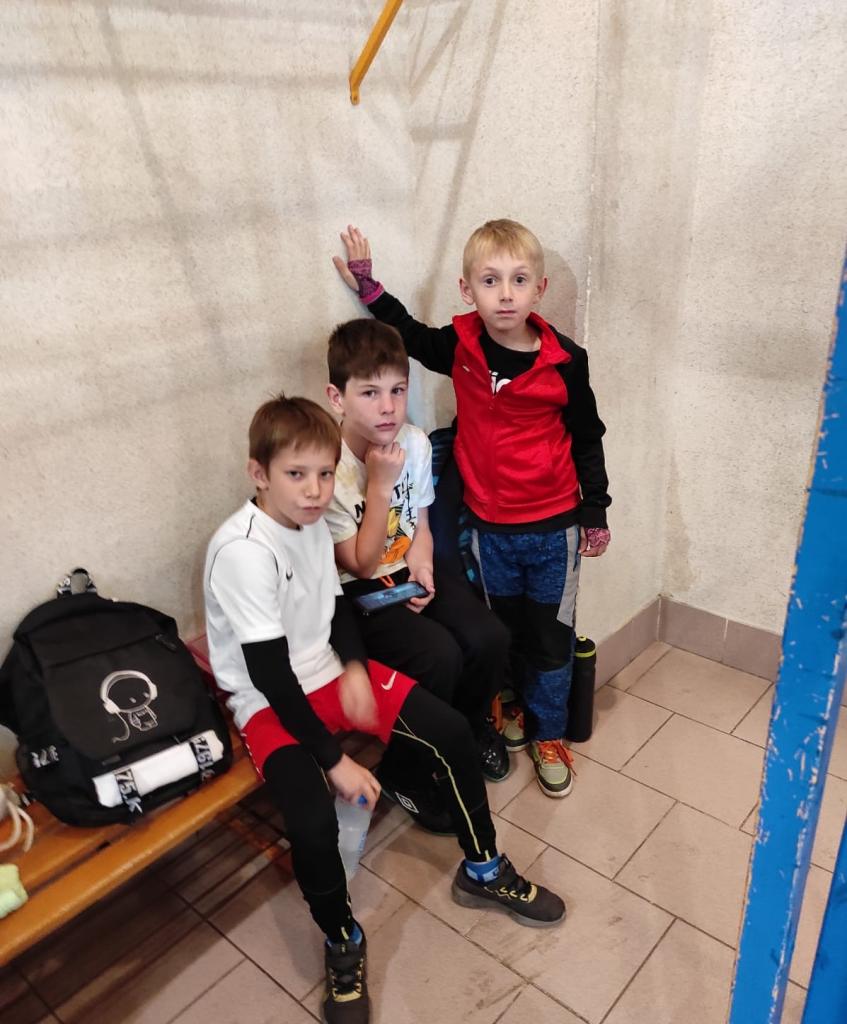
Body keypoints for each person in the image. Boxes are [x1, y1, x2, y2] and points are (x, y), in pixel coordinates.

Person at [203, 394, 565, 1024]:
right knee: (311, 818)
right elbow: (269, 674)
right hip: (268, 700)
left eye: (323, 473)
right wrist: (332, 760)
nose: (314, 490)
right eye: (296, 474)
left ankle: (483, 869)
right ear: (258, 473)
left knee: (450, 730)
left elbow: (338, 607)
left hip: (327, 672)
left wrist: (352, 668)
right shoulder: (243, 551)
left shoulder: (311, 524)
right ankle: (342, 938)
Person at [334, 220, 611, 799]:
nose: (505, 294)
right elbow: (409, 335)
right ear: (467, 290)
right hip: (489, 527)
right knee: (503, 629)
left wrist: (595, 510)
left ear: (539, 290)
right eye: (490, 281)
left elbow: (588, 437)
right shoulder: (460, 347)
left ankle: (549, 733)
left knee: (550, 635)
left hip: (554, 525)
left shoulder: (566, 361)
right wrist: (367, 285)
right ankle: (509, 709)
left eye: (518, 280)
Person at [322, 320, 511, 834]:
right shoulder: (329, 467)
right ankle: (405, 771)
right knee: (439, 655)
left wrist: (423, 565)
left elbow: (421, 524)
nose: (388, 407)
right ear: (337, 398)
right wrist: (380, 485)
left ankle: (464, 733)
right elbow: (359, 565)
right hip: (360, 592)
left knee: (489, 637)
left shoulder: (415, 442)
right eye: (370, 393)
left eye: (398, 390)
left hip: (410, 567)